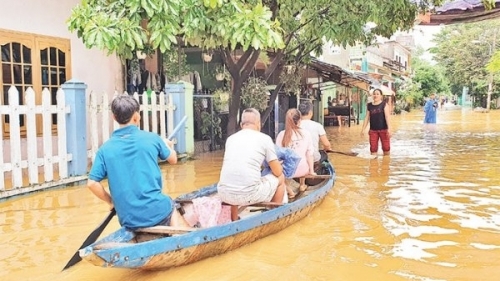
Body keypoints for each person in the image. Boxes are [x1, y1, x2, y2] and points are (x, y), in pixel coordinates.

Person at [87, 94, 188, 229]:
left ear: (114, 117)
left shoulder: (104, 149)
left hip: (127, 218)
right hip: (156, 210)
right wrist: (167, 145)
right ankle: (176, 239)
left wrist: (111, 201)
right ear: (137, 116)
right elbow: (173, 159)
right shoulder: (152, 139)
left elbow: (92, 183)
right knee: (170, 204)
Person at [217, 108, 286, 217]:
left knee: (236, 181)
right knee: (281, 178)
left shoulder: (231, 139)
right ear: (259, 124)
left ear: (241, 125)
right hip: (249, 194)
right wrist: (279, 167)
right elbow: (277, 172)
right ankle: (274, 215)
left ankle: (234, 219)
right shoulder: (265, 139)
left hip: (224, 193)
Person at [275, 108, 316, 197]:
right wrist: (311, 171)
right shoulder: (306, 134)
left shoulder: (282, 134)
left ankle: (289, 190)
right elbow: (309, 154)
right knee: (302, 159)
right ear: (300, 120)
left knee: (279, 170)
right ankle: (302, 184)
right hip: (303, 170)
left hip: (288, 172)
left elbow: (277, 157)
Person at [298, 101, 332, 166]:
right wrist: (326, 149)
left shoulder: (294, 126)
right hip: (313, 158)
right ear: (310, 113)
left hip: (298, 159)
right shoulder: (318, 126)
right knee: (323, 155)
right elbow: (327, 144)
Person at [360, 88, 392, 156]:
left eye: (377, 94)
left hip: (384, 130)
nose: (375, 95)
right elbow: (366, 118)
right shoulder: (369, 105)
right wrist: (363, 129)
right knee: (373, 149)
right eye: (374, 94)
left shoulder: (384, 104)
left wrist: (389, 129)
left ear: (381, 96)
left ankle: (385, 164)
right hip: (373, 131)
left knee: (386, 149)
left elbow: (387, 117)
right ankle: (374, 165)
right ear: (372, 95)